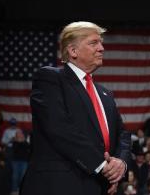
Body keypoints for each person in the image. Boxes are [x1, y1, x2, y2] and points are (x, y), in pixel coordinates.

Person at [20, 21, 131, 195]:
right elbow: (58, 127)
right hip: (58, 186)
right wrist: (103, 166)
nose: (101, 48)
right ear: (73, 51)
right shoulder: (50, 78)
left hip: (100, 186)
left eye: (101, 43)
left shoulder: (105, 94)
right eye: (94, 43)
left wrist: (121, 165)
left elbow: (123, 134)